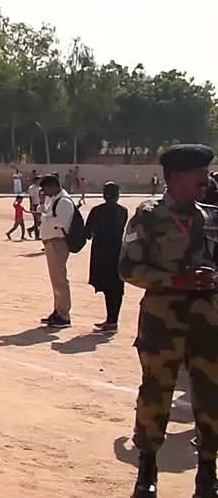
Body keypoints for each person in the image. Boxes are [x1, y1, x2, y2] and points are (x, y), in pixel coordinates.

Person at [121, 144, 218, 497]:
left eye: (206, 173)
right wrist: (177, 281)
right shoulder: (147, 216)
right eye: (199, 174)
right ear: (174, 176)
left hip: (208, 323)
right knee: (156, 392)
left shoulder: (211, 217)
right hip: (162, 324)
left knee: (211, 395)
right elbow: (128, 268)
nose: (205, 181)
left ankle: (208, 471)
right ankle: (147, 469)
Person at [83, 181, 129, 333]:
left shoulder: (97, 211)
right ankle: (112, 319)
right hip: (117, 253)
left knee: (108, 288)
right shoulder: (123, 211)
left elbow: (88, 233)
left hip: (101, 253)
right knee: (116, 287)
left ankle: (111, 322)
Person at [38, 173, 76, 328]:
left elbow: (61, 221)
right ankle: (58, 310)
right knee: (55, 280)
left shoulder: (64, 201)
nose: (43, 192)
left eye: (45, 188)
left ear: (53, 186)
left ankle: (64, 314)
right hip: (51, 242)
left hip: (58, 243)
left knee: (60, 279)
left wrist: (46, 217)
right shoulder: (53, 199)